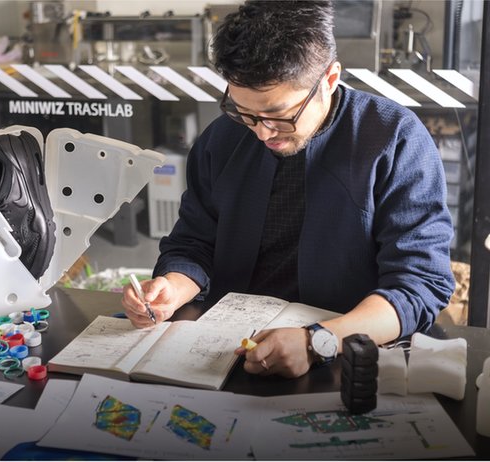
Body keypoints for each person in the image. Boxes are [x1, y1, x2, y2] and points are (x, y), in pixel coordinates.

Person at [121, 0, 455, 378]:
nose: (262, 133)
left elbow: (419, 284)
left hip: (346, 354)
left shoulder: (393, 139)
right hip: (227, 349)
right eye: (245, 112)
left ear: (329, 79)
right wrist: (171, 290)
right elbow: (194, 244)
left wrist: (318, 341)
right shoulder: (222, 138)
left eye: (280, 116)